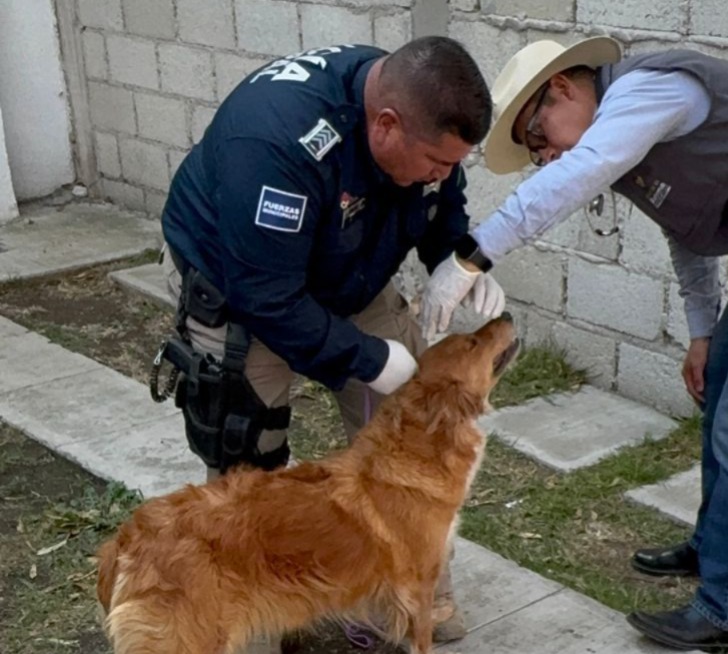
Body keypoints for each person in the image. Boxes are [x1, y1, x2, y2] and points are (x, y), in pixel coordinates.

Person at [419, 37, 728, 651]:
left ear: (563, 88)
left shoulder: (650, 90)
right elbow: (690, 232)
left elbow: (578, 170)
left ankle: (724, 614)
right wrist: (702, 333)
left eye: (538, 137)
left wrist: (475, 255)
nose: (546, 156)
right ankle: (713, 547)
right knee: (721, 393)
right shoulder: (631, 141)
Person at [157, 36, 504, 653]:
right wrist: (369, 359)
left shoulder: (420, 115)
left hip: (349, 268)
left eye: (455, 163)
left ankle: (402, 597)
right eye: (436, 159)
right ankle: (250, 622)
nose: (444, 174)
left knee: (413, 436)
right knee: (245, 456)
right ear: (387, 126)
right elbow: (269, 296)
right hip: (241, 289)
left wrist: (459, 258)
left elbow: (436, 201)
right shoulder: (274, 141)